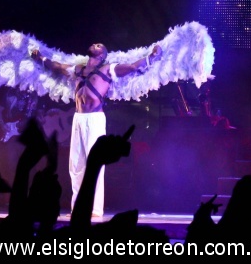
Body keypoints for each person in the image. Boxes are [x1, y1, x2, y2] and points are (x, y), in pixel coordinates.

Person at [31, 42, 162, 217]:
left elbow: (132, 67)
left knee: (95, 163)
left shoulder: (108, 69)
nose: (95, 44)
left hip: (94, 119)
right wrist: (40, 57)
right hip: (78, 119)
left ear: (102, 55)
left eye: (99, 45)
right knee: (76, 165)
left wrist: (152, 56)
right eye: (94, 44)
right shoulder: (78, 69)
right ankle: (77, 207)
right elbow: (57, 67)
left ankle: (94, 209)